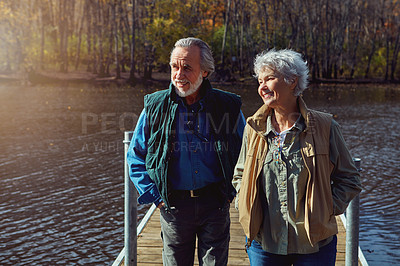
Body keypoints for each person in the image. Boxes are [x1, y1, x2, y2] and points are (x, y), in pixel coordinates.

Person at [232, 49, 362, 265]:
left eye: (270, 79)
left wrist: (327, 210)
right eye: (260, 81)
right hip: (264, 242)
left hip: (314, 244)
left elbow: (349, 178)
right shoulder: (253, 128)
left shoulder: (325, 126)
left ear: (292, 81)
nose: (262, 87)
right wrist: (243, 203)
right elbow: (240, 174)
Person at [127, 37, 246, 266]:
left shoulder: (228, 106)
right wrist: (155, 196)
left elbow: (247, 154)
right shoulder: (155, 106)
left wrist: (232, 191)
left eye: (187, 67)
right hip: (173, 205)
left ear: (205, 72)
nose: (178, 74)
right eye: (174, 66)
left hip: (215, 203)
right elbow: (135, 157)